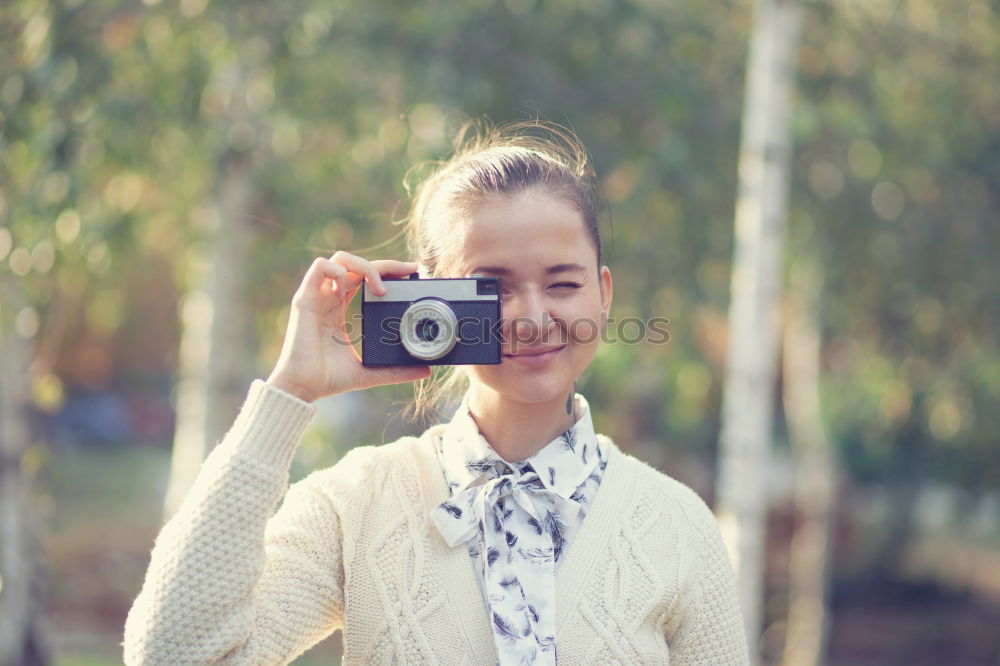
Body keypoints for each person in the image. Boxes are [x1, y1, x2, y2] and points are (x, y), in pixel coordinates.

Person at [122, 120, 749, 665]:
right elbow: (175, 656)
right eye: (493, 287)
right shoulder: (354, 504)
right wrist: (290, 392)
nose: (532, 317)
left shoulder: (675, 524)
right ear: (434, 302)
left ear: (604, 295)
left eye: (562, 284)